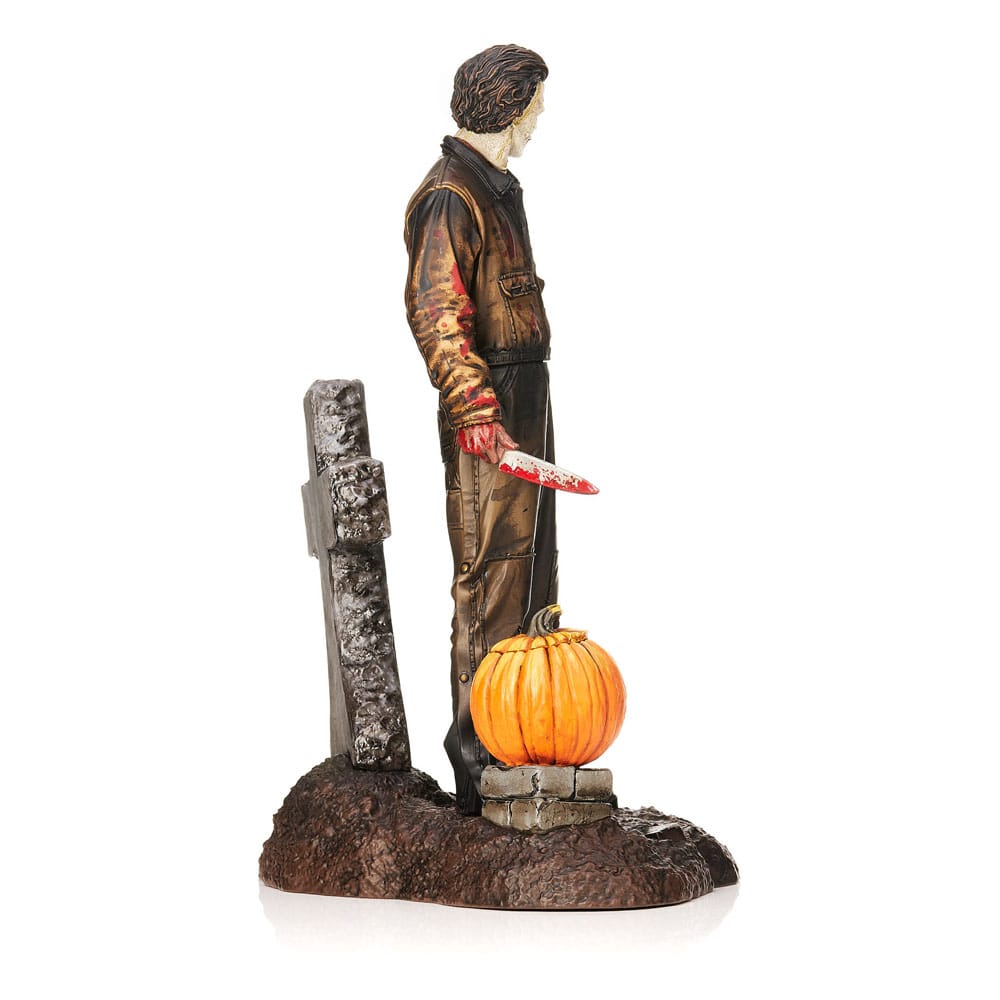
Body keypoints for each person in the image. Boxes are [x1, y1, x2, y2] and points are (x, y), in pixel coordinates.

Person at [404, 44, 557, 814]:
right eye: (534, 105)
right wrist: (473, 409)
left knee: (531, 575)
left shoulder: (493, 186)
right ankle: (481, 761)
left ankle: (526, 739)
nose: (539, 120)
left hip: (524, 393)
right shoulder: (450, 195)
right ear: (509, 106)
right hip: (489, 407)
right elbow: (436, 309)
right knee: (490, 576)